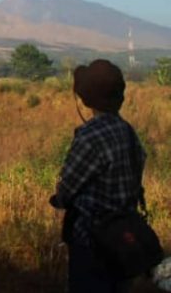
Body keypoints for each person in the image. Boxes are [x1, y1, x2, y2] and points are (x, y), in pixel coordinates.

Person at [49, 59, 146, 292]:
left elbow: (67, 189)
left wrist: (58, 198)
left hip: (92, 241)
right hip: (125, 237)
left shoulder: (90, 136)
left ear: (86, 99)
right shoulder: (128, 132)